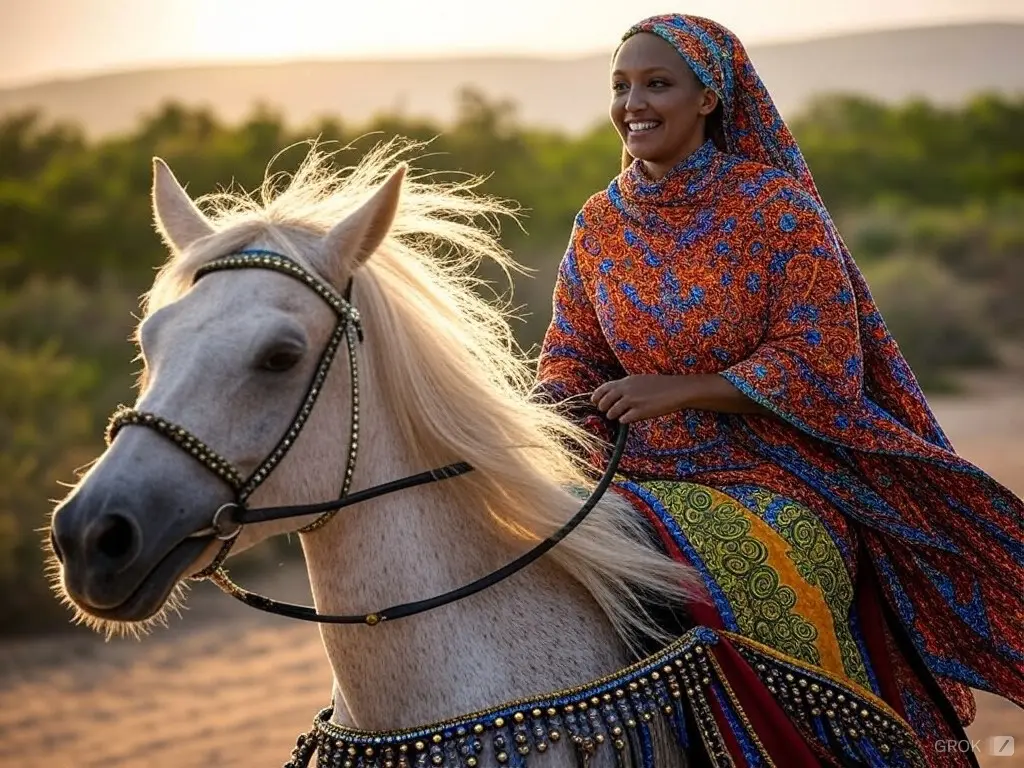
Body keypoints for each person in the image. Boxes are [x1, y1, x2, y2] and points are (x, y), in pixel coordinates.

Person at [535, 13, 1023, 767]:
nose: (633, 102)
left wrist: (683, 390)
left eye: (657, 83)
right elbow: (571, 355)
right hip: (629, 470)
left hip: (777, 476)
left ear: (709, 98)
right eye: (621, 85)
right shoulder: (600, 223)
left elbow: (822, 360)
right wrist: (545, 409)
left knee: (747, 582)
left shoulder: (775, 208)